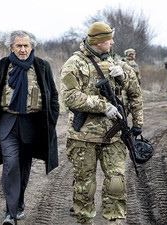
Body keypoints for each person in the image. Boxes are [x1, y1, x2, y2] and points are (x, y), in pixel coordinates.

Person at [60, 22, 143, 225]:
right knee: (85, 187)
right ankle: (85, 220)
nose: (113, 42)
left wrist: (123, 77)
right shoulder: (75, 63)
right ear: (98, 42)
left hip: (113, 136)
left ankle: (115, 221)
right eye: (109, 39)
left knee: (116, 183)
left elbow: (135, 91)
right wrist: (102, 106)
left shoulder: (117, 63)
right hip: (84, 137)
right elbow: (69, 97)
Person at [0, 30, 59, 225]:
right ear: (11, 48)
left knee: (24, 168)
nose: (23, 49)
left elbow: (54, 97)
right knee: (10, 165)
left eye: (26, 46)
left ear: (32, 47)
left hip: (32, 125)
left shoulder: (42, 66)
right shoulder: (1, 66)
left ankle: (19, 203)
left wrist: (51, 121)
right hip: (6, 123)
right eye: (19, 46)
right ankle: (11, 213)